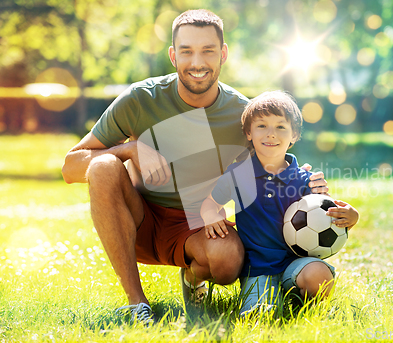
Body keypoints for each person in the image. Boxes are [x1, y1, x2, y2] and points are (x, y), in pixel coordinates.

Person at [61, 9, 329, 324]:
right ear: (173, 56)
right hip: (137, 219)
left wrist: (302, 181)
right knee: (104, 164)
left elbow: (270, 162)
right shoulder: (139, 99)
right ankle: (137, 304)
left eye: (208, 51)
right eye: (187, 51)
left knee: (228, 260)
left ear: (223, 55)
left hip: (196, 223)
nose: (197, 62)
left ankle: (193, 277)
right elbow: (70, 167)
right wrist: (131, 149)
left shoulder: (242, 115)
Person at [200, 91, 359, 315]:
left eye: (281, 127)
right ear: (248, 132)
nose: (271, 134)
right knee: (259, 317)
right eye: (262, 126)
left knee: (319, 277)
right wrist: (211, 215)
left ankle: (301, 299)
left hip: (297, 263)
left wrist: (352, 216)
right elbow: (209, 202)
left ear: (294, 135)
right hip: (258, 269)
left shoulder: (305, 179)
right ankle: (271, 295)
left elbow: (329, 217)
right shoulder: (238, 175)